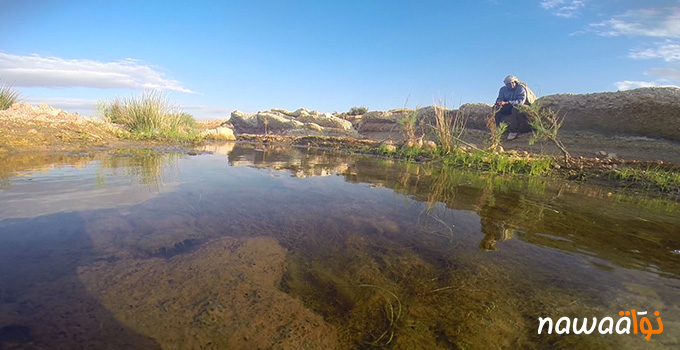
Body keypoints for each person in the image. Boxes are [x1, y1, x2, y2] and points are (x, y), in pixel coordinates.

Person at [494, 75, 531, 140]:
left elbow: (520, 101)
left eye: (512, 83)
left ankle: (513, 131)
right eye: (508, 84)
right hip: (507, 105)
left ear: (515, 82)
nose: (510, 85)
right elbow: (500, 98)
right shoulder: (503, 90)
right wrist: (499, 103)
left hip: (520, 106)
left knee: (515, 109)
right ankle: (499, 129)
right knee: (496, 108)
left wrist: (507, 102)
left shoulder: (520, 88)